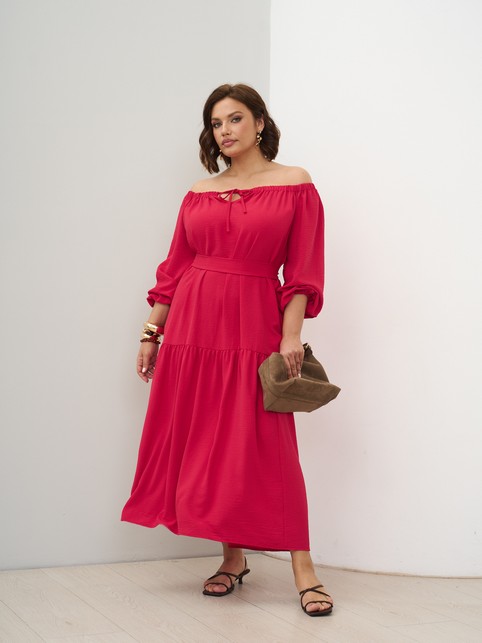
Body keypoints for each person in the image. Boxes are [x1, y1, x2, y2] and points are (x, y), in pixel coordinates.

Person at [121, 83, 333, 617]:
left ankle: (304, 569)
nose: (225, 131)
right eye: (216, 123)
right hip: (192, 327)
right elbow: (175, 267)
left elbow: (302, 270)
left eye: (235, 119)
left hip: (253, 322)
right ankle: (232, 558)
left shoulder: (295, 183)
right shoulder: (200, 190)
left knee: (267, 443)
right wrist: (151, 332)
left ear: (260, 123)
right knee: (206, 440)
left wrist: (290, 334)